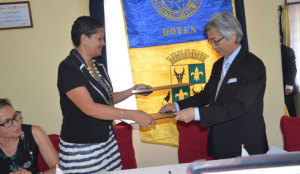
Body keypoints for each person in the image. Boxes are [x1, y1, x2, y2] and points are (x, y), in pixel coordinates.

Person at [159, 12, 269, 160]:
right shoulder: (218, 65)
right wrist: (178, 105)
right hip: (220, 143)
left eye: (215, 41)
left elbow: (238, 106)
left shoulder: (253, 65)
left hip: (245, 144)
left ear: (233, 37)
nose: (212, 46)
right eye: (210, 41)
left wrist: (196, 114)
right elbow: (206, 95)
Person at [57, 16, 156, 173]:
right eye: (99, 38)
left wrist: (133, 90)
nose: (103, 43)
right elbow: (89, 108)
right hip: (83, 147)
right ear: (84, 39)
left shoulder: (98, 66)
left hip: (106, 140)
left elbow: (107, 99)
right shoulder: (68, 68)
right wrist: (132, 114)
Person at [0, 98, 59, 174]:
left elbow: (58, 169)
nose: (16, 123)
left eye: (15, 116)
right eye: (7, 122)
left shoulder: (35, 132)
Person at [280, 41, 297, 117]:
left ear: (280, 37)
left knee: (290, 113)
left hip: (287, 89)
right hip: (278, 88)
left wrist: (289, 86)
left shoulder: (287, 50)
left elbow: (292, 69)